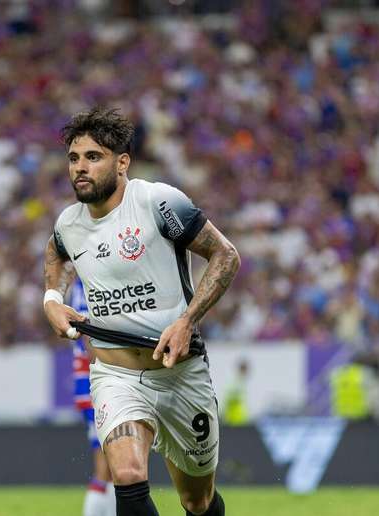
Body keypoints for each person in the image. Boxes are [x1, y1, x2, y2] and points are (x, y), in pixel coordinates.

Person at [43, 108, 241, 516]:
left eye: (93, 157)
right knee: (128, 475)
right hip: (115, 376)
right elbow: (56, 256)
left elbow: (225, 255)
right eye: (74, 158)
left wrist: (187, 321)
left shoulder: (157, 202)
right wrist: (52, 300)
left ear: (122, 162)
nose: (80, 167)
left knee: (197, 500)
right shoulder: (69, 223)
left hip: (179, 374)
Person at [69, 278, 116, 516]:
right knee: (108, 465)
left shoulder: (83, 281)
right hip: (98, 381)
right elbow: (88, 334)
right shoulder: (91, 279)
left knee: (112, 466)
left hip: (91, 382)